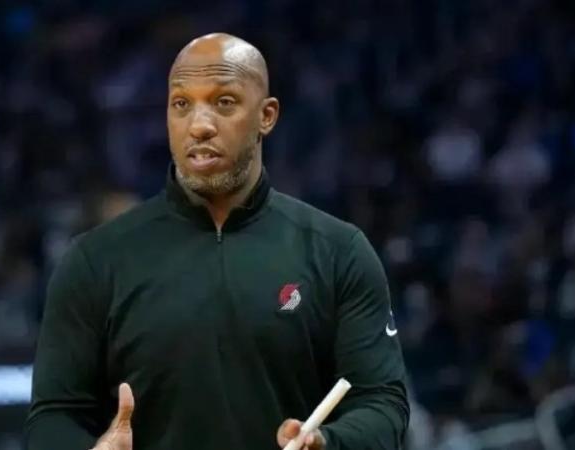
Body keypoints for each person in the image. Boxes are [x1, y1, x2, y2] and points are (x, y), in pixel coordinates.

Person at [25, 33, 409, 450]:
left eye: (224, 102)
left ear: (267, 116)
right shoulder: (94, 260)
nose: (199, 125)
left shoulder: (338, 252)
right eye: (181, 104)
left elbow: (383, 405)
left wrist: (326, 443)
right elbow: (51, 419)